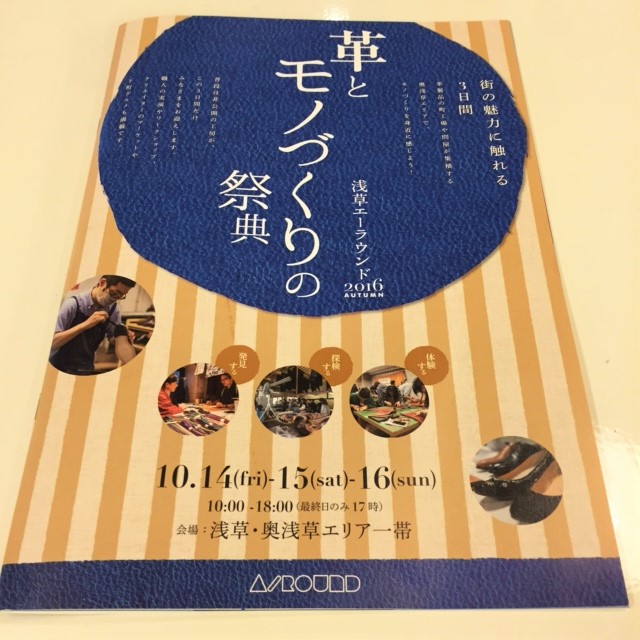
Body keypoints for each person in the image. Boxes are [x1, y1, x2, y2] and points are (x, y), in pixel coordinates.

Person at [49, 275, 136, 375]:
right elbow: (53, 343)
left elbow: (113, 338)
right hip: (60, 367)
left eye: (121, 296)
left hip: (85, 367)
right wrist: (86, 324)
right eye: (114, 293)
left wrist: (123, 339)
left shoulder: (112, 309)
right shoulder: (72, 304)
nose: (115, 299)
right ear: (102, 283)